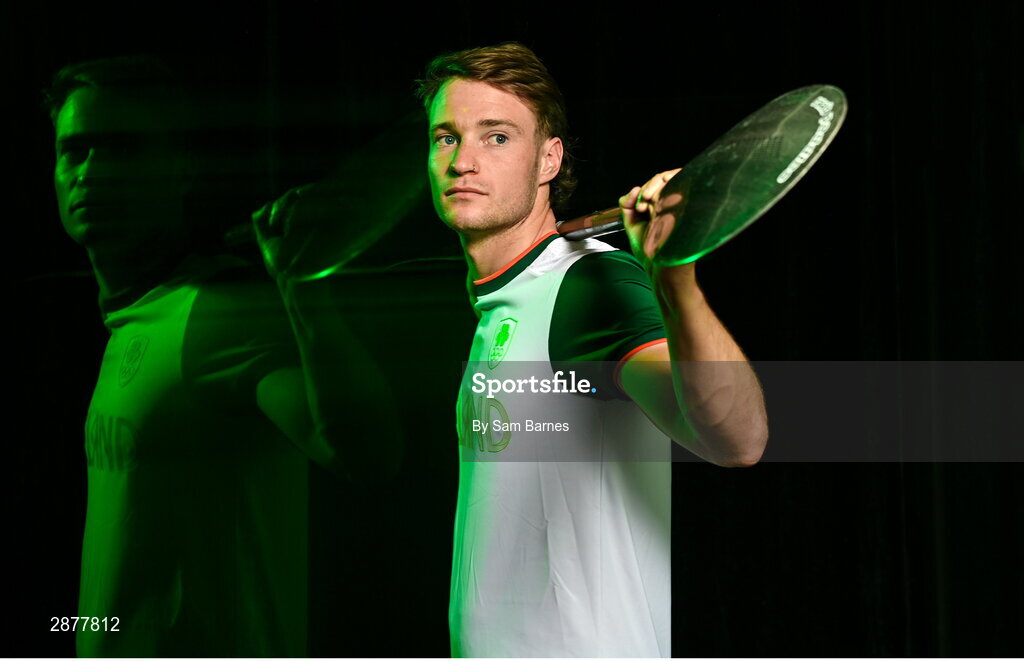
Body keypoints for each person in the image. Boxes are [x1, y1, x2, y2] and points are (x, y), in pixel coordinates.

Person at [415, 43, 769, 657]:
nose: (464, 161)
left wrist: (675, 275)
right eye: (447, 138)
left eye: (497, 138)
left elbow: (738, 441)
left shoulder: (589, 285)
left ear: (548, 157)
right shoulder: (506, 299)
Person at [49, 55, 393, 656]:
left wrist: (305, 294)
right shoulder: (134, 315)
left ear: (179, 169)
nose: (93, 169)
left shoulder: (215, 314)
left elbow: (368, 455)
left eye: (123, 148)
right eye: (74, 149)